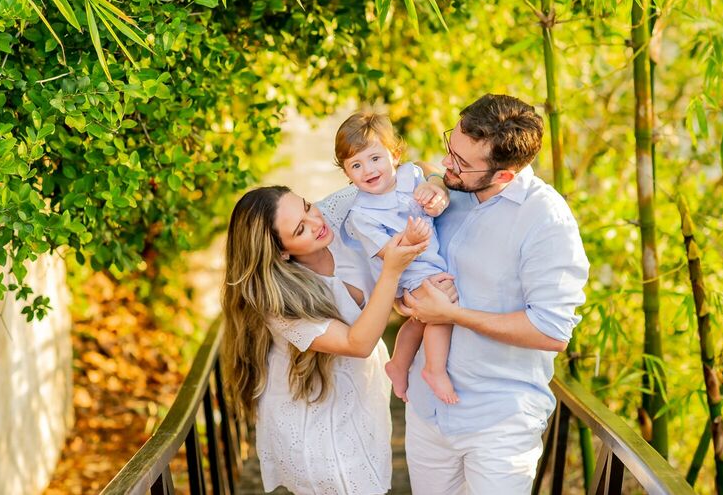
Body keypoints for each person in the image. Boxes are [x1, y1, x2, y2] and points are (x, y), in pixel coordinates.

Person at [402, 94, 589, 494]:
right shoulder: (450, 189)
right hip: (427, 411)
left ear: (504, 175)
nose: (448, 162)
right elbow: (420, 171)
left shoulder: (547, 220)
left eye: (461, 162)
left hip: (499, 424)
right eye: (451, 146)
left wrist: (451, 315)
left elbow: (551, 331)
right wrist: (412, 303)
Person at [220, 185, 444, 495]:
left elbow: (398, 178)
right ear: (281, 252)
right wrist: (392, 271)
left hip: (362, 398)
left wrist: (435, 186)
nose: (316, 222)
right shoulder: (279, 302)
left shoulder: (334, 215)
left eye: (307, 206)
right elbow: (357, 344)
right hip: (315, 414)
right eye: (300, 229)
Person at [334, 111, 459, 404]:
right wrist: (410, 240)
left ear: (395, 155)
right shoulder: (362, 213)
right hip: (408, 271)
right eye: (356, 165)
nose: (368, 170)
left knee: (419, 320)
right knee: (441, 311)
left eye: (375, 158)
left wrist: (434, 195)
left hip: (431, 262)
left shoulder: (411, 176)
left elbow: (435, 198)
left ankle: (398, 364)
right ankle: (434, 370)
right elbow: (388, 254)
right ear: (347, 173)